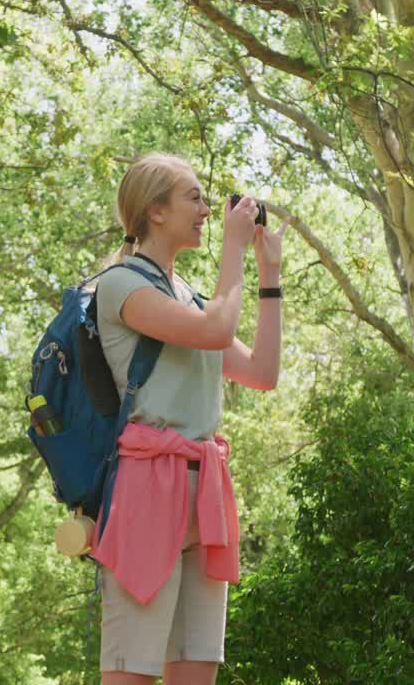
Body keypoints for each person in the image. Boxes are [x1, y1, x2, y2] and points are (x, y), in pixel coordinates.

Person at [90, 153, 286, 684]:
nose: (205, 210)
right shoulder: (122, 285)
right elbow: (215, 331)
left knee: (197, 670)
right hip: (148, 487)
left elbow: (262, 372)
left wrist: (269, 273)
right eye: (194, 198)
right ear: (156, 211)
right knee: (131, 673)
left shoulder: (191, 300)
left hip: (206, 490)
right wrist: (233, 248)